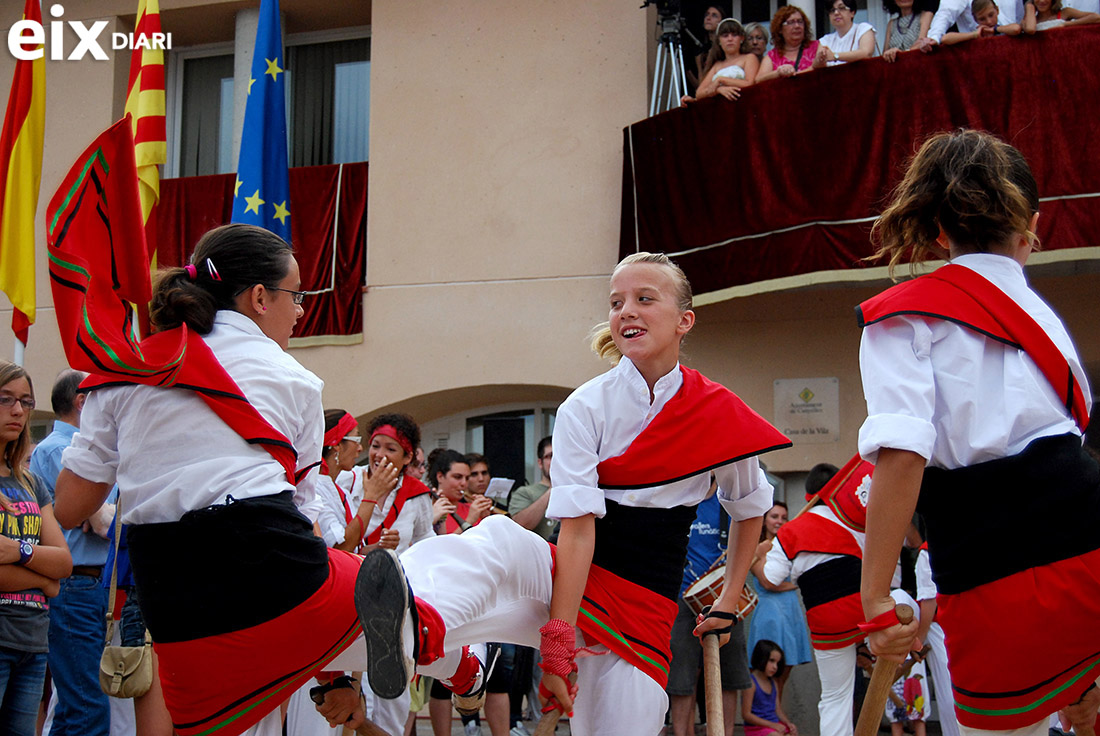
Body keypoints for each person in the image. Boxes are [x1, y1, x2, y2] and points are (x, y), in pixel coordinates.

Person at [354, 251, 790, 735]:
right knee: (500, 539)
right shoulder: (586, 405)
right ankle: (421, 629)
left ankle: (451, 653)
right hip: (571, 575)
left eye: (645, 299)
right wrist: (559, 640)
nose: (626, 310)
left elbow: (750, 508)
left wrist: (728, 601)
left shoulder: (721, 413)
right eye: (616, 301)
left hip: (644, 607)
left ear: (684, 320)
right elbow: (578, 532)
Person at [55, 224, 382, 735]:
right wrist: (333, 663)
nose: (299, 311)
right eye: (295, 296)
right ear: (258, 297)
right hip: (266, 562)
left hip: (170, 590)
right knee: (392, 589)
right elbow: (305, 519)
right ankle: (464, 672)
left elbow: (71, 506)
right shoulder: (295, 379)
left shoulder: (123, 370)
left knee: (201, 724)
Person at [857, 130, 1100, 736]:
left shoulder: (902, 314)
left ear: (937, 229)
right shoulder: (1047, 319)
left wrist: (875, 601)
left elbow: (903, 456)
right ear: (1031, 224)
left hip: (993, 566)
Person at [760, 457, 874, 736]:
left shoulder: (789, 532)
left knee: (836, 696)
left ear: (809, 496)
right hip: (868, 614)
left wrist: (761, 553)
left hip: (828, 623)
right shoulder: (860, 523)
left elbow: (770, 579)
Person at [28, 369, 114, 736]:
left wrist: (101, 513)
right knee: (88, 705)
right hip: (75, 584)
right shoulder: (61, 450)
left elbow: (107, 518)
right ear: (82, 402)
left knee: (75, 706)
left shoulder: (85, 453)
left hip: (91, 586)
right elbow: (106, 523)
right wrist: (101, 511)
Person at [0, 362, 72, 736]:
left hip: (33, 640)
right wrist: (42, 582)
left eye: (25, 402)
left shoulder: (29, 482)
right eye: (5, 399)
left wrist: (19, 553)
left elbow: (63, 562)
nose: (18, 411)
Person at [668, 489, 751, 736]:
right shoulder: (679, 499)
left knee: (729, 674)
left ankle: (722, 732)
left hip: (724, 597)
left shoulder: (728, 502)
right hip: (683, 596)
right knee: (682, 677)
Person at [747, 502, 812, 693]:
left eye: (784, 518)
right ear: (764, 520)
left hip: (790, 608)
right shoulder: (756, 548)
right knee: (763, 664)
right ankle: (761, 715)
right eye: (774, 517)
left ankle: (776, 712)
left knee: (785, 666)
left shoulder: (792, 547)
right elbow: (768, 583)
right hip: (770, 611)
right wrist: (796, 584)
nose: (779, 521)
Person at [682, 18, 759, 103]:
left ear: (742, 39)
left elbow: (750, 83)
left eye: (734, 35)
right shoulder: (717, 65)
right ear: (719, 41)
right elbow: (699, 93)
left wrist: (720, 80)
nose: (730, 39)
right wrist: (719, 89)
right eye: (725, 36)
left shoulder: (749, 58)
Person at [742, 640, 798, 736]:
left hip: (774, 725)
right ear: (761, 658)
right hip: (756, 727)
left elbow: (778, 710)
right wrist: (772, 725)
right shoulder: (751, 683)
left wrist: (788, 723)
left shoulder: (773, 683)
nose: (775, 667)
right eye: (771, 661)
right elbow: (746, 715)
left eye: (777, 663)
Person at [757, 7, 826, 82]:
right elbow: (758, 80)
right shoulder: (773, 56)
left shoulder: (816, 46)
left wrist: (795, 74)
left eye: (800, 21)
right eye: (791, 22)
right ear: (780, 29)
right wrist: (778, 73)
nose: (797, 26)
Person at [508, 437, 557, 540]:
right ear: (540, 463)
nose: (556, 460)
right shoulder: (524, 492)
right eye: (551, 456)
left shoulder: (573, 490)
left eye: (560, 455)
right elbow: (519, 526)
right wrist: (552, 490)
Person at [921, 0, 1026, 46]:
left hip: (1012, 49)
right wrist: (934, 37)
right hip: (977, 54)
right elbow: (945, 14)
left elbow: (1020, 17)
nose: (989, 21)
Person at [819, 0, 877, 65]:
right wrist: (820, 57)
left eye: (842, 8)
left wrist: (835, 56)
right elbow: (816, 65)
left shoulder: (863, 29)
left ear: (852, 12)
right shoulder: (826, 40)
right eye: (832, 10)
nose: (836, 13)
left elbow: (866, 53)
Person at [690, 5, 727, 90]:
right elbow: (700, 85)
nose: (708, 18)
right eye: (707, 15)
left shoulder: (725, 47)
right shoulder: (702, 47)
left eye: (714, 16)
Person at [1023, 0, 1100, 30]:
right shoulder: (1031, 21)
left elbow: (1097, 17)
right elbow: (1030, 29)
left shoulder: (1065, 13)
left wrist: (1065, 24)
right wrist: (1029, 7)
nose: (1042, 1)